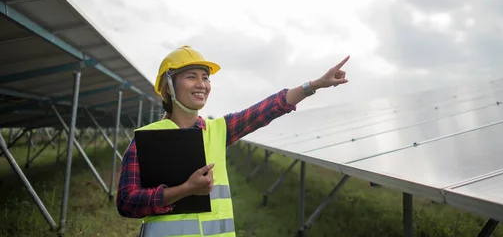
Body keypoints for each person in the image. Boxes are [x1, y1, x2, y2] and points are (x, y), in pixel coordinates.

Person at [116, 45, 349, 237]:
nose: (202, 84)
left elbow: (267, 109)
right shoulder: (145, 139)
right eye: (191, 77)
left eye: (205, 78)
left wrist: (314, 85)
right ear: (169, 87)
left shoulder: (219, 130)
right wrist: (184, 190)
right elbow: (126, 202)